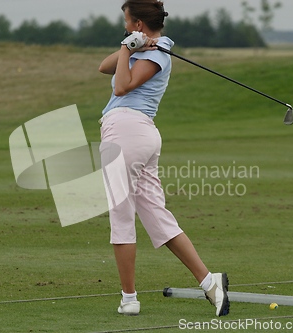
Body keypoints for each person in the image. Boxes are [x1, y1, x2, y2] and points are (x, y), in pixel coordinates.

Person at [98, 0, 229, 317]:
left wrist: (131, 47)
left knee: (121, 216)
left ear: (139, 23)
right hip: (137, 134)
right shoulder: (144, 46)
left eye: (128, 23)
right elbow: (104, 67)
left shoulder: (157, 54)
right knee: (157, 217)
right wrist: (132, 44)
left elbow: (121, 86)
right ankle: (211, 283)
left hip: (125, 132)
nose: (125, 27)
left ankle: (129, 299)